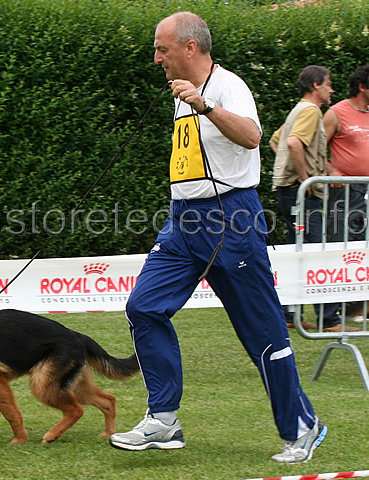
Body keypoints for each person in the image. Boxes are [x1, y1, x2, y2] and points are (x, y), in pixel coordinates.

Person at [108, 12, 327, 464]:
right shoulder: (179, 93)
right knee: (144, 306)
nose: (156, 59)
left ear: (190, 47)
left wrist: (204, 106)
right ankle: (163, 419)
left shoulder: (228, 86)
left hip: (231, 220)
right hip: (183, 220)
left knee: (261, 332)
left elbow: (251, 136)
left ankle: (302, 427)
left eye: (162, 49)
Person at [270, 66, 354, 333]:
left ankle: (288, 314)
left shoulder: (299, 110)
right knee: (318, 251)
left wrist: (292, 170)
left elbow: (277, 140)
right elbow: (294, 144)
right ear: (316, 85)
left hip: (289, 189)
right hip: (299, 191)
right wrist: (306, 179)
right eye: (329, 84)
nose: (332, 90)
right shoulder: (310, 111)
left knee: (297, 251)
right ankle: (328, 320)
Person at [324, 64, 369, 322]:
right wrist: (331, 170)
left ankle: (360, 308)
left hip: (368, 191)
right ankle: (339, 307)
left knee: (365, 248)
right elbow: (317, 149)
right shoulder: (336, 112)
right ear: (362, 86)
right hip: (346, 193)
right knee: (343, 245)